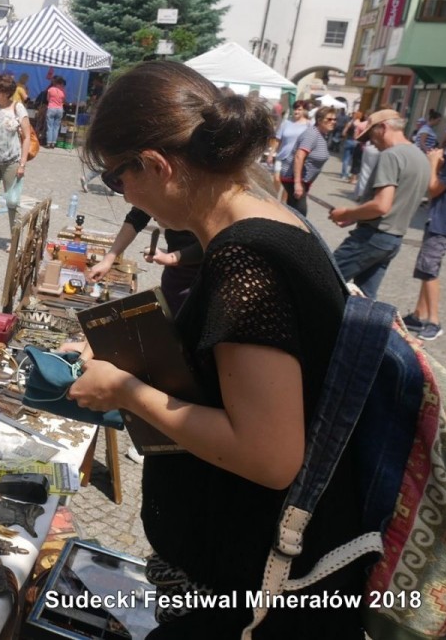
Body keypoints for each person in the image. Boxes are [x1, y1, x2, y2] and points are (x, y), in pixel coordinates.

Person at [67, 61, 368, 638]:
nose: (121, 193)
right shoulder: (272, 217)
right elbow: (247, 376)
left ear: (154, 165)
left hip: (250, 594)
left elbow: (267, 454)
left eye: (115, 179)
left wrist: (122, 389)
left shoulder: (244, 258)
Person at [328, 109, 431, 299]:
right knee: (366, 299)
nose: (370, 141)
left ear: (383, 128)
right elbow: (397, 203)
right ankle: (361, 328)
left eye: (371, 135)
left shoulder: (391, 155)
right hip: (393, 239)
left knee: (325, 281)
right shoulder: (419, 156)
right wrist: (357, 215)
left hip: (373, 236)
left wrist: (347, 213)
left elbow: (381, 206)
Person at [86, 209, 202, 317]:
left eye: (156, 213)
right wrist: (108, 259)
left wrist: (172, 257)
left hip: (203, 282)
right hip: (174, 279)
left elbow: (213, 242)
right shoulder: (154, 194)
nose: (154, 219)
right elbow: (136, 218)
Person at [402, 148, 446, 341]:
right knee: (427, 269)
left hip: (444, 225)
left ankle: (434, 321)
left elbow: (433, 189)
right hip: (442, 223)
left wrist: (433, 163)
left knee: (429, 270)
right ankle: (418, 315)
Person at [0, 74, 31, 226]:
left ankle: (15, 239)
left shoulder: (18, 108)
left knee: (12, 202)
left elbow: (27, 137)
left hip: (11, 162)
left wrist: (22, 164)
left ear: (6, 93)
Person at [279, 106, 337, 216]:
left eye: (334, 119)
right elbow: (299, 156)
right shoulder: (312, 134)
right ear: (319, 120)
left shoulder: (321, 135)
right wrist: (297, 184)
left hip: (302, 180)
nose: (333, 122)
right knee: (300, 215)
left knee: (293, 213)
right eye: (329, 119)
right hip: (292, 179)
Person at [263, 100, 312, 181]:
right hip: (282, 156)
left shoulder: (309, 125)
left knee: (287, 183)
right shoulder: (286, 123)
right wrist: (271, 154)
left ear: (304, 111)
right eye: (295, 109)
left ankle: (286, 193)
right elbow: (278, 139)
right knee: (276, 179)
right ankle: (280, 193)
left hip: (296, 159)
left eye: (299, 109)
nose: (296, 111)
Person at [339, 110, 362, 181]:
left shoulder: (350, 123)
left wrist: (346, 135)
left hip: (349, 140)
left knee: (346, 159)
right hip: (357, 142)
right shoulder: (361, 124)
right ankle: (351, 174)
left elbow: (343, 133)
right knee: (354, 159)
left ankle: (344, 174)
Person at [44, 75, 66, 148]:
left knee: (50, 126)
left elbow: (47, 99)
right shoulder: (63, 91)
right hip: (60, 109)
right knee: (56, 127)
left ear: (56, 82)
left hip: (51, 108)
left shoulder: (50, 89)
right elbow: (63, 100)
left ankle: (48, 143)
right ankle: (53, 143)